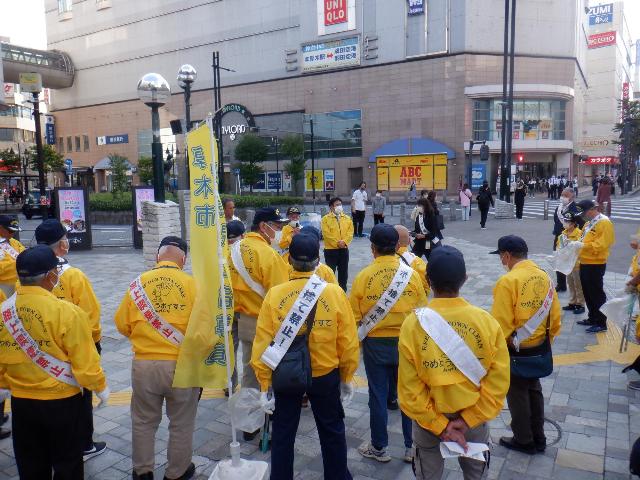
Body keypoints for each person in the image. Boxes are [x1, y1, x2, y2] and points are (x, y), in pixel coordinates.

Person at [251, 233, 359, 480]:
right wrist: (347, 376)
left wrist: (265, 384)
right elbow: (348, 342)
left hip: (286, 375)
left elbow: (262, 344)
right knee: (332, 431)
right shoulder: (334, 293)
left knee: (283, 434)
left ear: (288, 260)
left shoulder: (275, 294)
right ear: (318, 259)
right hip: (325, 374)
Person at [399, 246, 509, 479]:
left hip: (429, 424)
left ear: (428, 280)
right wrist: (467, 420)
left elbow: (410, 390)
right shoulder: (486, 322)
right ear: (465, 279)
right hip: (474, 421)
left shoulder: (412, 325)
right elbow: (498, 384)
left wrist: (441, 425)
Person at [0, 246, 109, 479]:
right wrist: (100, 387)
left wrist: (2, 384)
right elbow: (85, 362)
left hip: (21, 402)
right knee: (67, 462)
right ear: (51, 276)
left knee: (30, 464)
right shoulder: (67, 312)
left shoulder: (3, 312)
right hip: (62, 402)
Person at [115, 237, 199, 480]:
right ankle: (176, 473)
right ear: (183, 259)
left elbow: (122, 324)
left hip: (144, 365)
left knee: (143, 421)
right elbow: (203, 330)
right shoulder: (193, 285)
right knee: (181, 422)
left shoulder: (137, 285)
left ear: (157, 257)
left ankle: (143, 472)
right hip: (182, 365)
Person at [350, 224, 428, 463]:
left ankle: (379, 447)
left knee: (377, 394)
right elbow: (423, 313)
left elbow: (354, 317)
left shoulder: (363, 277)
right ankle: (410, 448)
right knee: (407, 395)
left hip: (375, 344)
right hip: (406, 342)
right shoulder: (412, 276)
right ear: (397, 247)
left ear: (372, 248)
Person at [35, 219, 106, 460]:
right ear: (62, 245)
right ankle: (84, 444)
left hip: (40, 349)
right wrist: (94, 343)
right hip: (74, 347)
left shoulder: (27, 273)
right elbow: (91, 317)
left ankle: (51, 446)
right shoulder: (73, 275)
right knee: (80, 396)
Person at [490, 235, 561, 454]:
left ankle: (524, 440)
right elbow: (556, 316)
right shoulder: (544, 275)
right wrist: (545, 340)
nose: (502, 262)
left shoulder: (508, 281)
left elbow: (500, 324)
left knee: (517, 394)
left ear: (507, 255)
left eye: (502, 257)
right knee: (534, 389)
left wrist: (497, 351)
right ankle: (538, 437)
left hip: (515, 348)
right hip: (540, 346)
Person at [228, 208, 289, 439]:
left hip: (244, 321)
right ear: (264, 227)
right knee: (272, 371)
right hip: (267, 323)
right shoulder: (269, 255)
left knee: (250, 373)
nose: (280, 231)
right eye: (278, 225)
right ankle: (270, 415)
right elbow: (281, 296)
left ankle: (249, 424)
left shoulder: (233, 250)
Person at [574, 199, 616, 333]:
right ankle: (592, 317)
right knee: (587, 292)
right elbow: (582, 239)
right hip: (585, 261)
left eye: (584, 212)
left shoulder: (604, 222)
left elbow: (604, 243)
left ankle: (601, 322)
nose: (583, 215)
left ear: (592, 209)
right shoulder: (588, 223)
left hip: (596, 263)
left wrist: (584, 246)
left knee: (596, 293)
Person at [226, 220, 246, 394]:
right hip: (248, 310)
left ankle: (230, 384)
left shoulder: (220, 256)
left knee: (230, 348)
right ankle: (251, 387)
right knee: (250, 350)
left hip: (227, 309)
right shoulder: (250, 253)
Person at [552, 188, 583, 293]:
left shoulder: (577, 209)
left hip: (571, 238)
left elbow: (582, 224)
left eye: (566, 195)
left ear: (572, 197)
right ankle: (561, 284)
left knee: (571, 262)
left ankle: (574, 286)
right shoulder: (559, 207)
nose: (563, 197)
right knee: (558, 259)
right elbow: (556, 221)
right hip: (559, 237)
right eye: (562, 195)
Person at [321, 197, 354, 291]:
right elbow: (326, 234)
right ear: (331, 207)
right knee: (330, 273)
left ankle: (343, 292)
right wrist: (337, 243)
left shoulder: (347, 218)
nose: (339, 206)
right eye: (337, 205)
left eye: (340, 204)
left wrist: (344, 242)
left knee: (343, 274)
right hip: (330, 251)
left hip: (344, 250)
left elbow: (350, 233)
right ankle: (330, 292)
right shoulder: (325, 219)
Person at [557, 212, 586, 315]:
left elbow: (581, 248)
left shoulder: (579, 234)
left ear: (574, 223)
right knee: (570, 284)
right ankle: (572, 302)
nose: (565, 223)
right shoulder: (563, 234)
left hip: (576, 264)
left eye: (568, 221)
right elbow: (559, 247)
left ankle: (580, 304)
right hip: (567, 264)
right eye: (565, 221)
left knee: (578, 285)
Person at [0, 215, 25, 298]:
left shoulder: (14, 242)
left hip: (19, 284)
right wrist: (19, 263)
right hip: (3, 286)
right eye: (10, 231)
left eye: (14, 231)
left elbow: (25, 254)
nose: (13, 233)